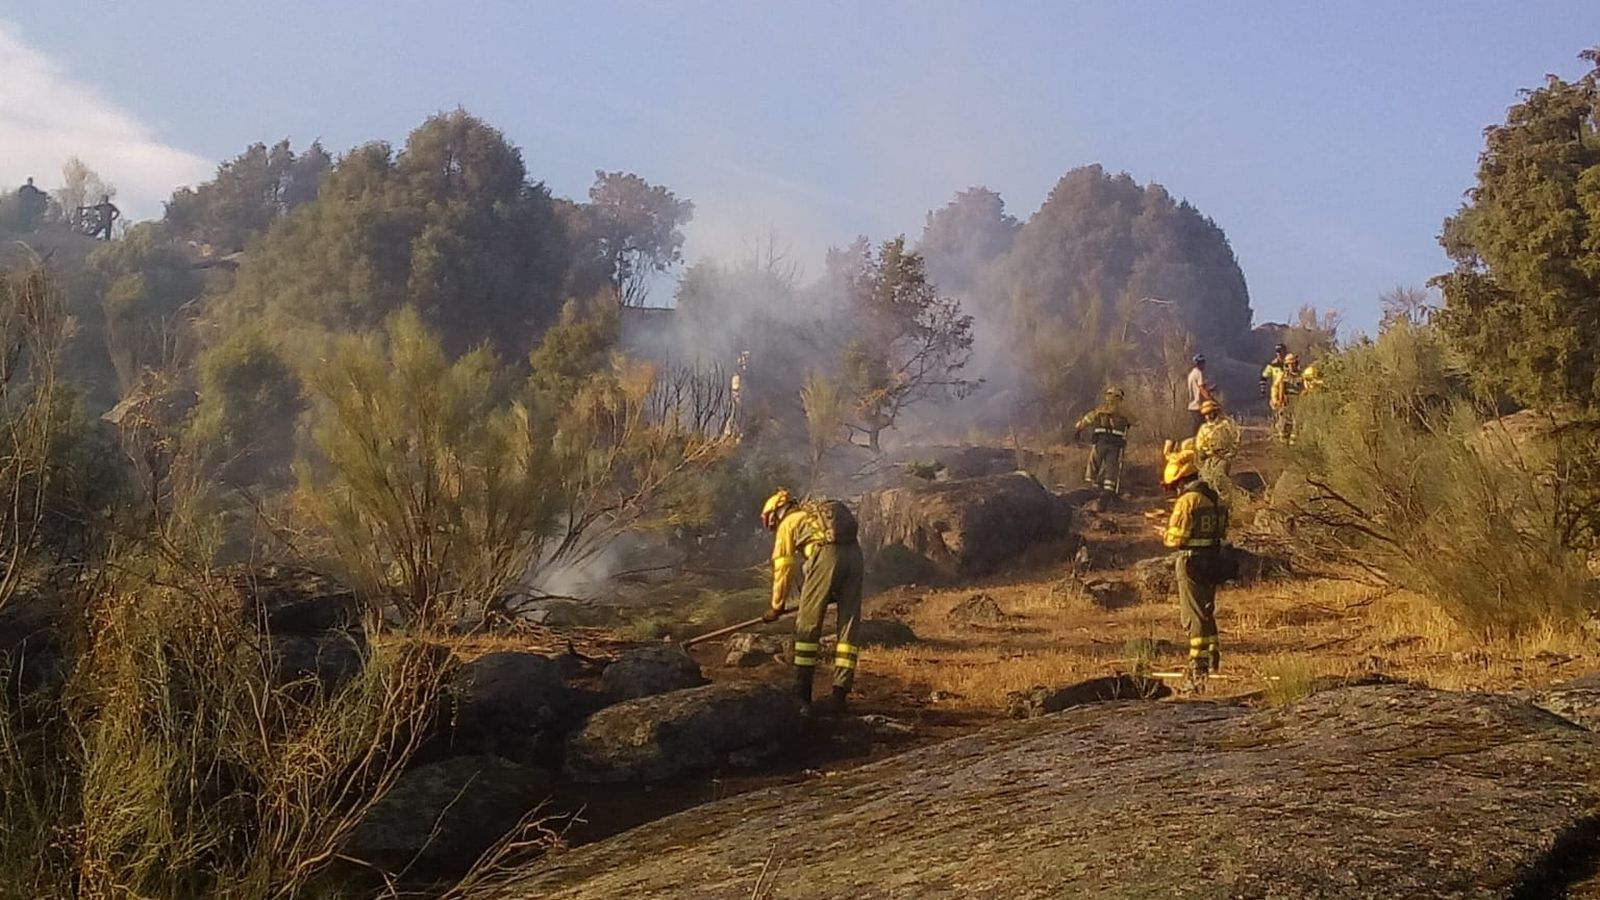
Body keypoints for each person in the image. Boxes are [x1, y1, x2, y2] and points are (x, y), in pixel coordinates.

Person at [761, 488, 865, 712]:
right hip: (855, 555)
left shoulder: (788, 524)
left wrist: (776, 606)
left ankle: (802, 695)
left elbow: (783, 569)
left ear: (775, 514)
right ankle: (840, 693)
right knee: (849, 624)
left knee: (807, 626)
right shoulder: (812, 515)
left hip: (826, 557)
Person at [1160, 439, 1228, 688]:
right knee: (1206, 611)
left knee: (1193, 615)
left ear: (1181, 480)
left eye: (1175, 485)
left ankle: (1197, 667)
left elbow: (1176, 538)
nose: (1175, 490)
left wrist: (1164, 533)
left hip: (1191, 562)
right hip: (1212, 559)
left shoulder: (1188, 501)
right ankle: (1212, 657)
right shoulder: (1214, 497)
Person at [1073, 386, 1133, 499]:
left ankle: (1090, 488)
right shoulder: (1124, 413)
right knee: (1111, 468)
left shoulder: (1099, 411)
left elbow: (1085, 421)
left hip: (1100, 443)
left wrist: (1078, 430)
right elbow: (1136, 422)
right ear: (1120, 399)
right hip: (1115, 446)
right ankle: (1108, 492)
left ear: (1106, 397)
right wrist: (1127, 422)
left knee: (1094, 464)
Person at [1194, 399, 1241, 497]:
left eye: (1209, 413)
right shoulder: (1203, 428)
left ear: (1215, 412)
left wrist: (1230, 452)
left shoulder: (1225, 425)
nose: (1207, 416)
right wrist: (1202, 452)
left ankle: (1227, 499)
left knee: (1220, 478)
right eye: (1205, 414)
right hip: (1209, 458)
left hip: (1223, 457)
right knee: (1205, 480)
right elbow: (1199, 444)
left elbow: (1235, 439)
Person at [1268, 352, 1304, 444]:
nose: (1291, 366)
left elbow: (1306, 388)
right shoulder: (1282, 375)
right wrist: (1275, 400)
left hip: (1298, 403)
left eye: (1293, 364)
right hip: (1285, 402)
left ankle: (1294, 447)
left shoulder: (1302, 376)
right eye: (1289, 364)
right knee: (1283, 426)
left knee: (1297, 425)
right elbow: (1275, 387)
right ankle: (1283, 447)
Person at [1185, 354, 1216, 432]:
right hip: (1198, 406)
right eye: (1203, 362)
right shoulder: (1199, 373)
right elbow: (1201, 388)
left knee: (1197, 427)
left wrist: (1209, 390)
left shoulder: (1191, 374)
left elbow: (1197, 389)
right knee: (1202, 428)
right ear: (1200, 363)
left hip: (1192, 406)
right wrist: (1210, 400)